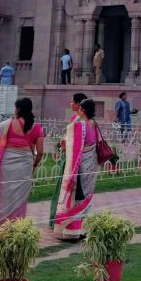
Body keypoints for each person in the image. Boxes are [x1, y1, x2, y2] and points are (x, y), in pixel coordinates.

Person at [0, 97, 45, 226]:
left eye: (16, 108)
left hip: (6, 167)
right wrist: (34, 165)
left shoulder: (8, 125)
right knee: (20, 200)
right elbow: (41, 152)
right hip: (25, 167)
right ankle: (17, 227)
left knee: (2, 196)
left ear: (19, 109)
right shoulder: (37, 128)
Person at [50, 98, 98, 240]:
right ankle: (85, 229)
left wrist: (64, 145)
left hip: (80, 165)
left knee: (76, 197)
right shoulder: (94, 124)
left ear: (82, 110)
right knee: (86, 198)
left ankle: (73, 231)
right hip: (91, 163)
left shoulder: (80, 126)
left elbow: (73, 147)